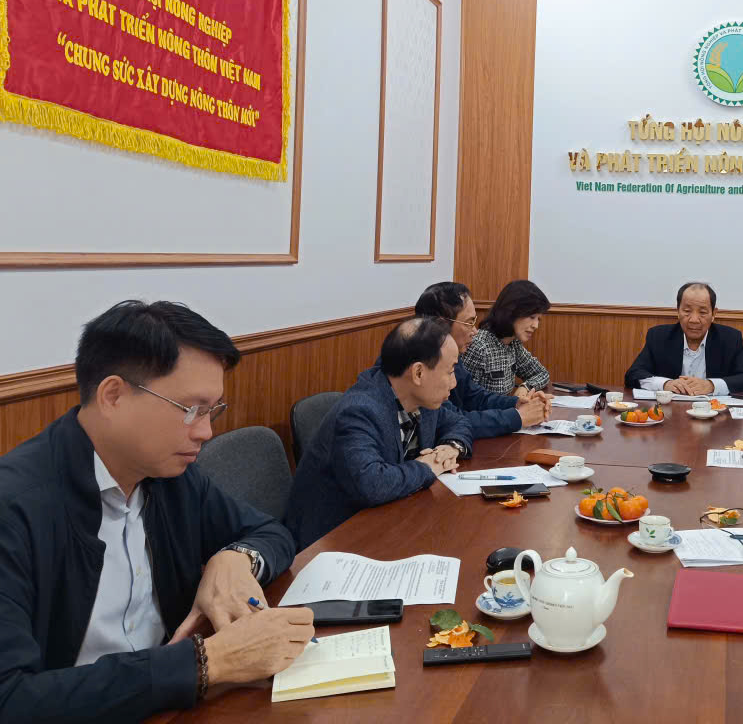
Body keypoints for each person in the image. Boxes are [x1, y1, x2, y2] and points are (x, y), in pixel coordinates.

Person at [0, 300, 313, 721]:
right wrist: (207, 662)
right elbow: (11, 698)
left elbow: (273, 533)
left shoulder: (170, 477)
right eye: (190, 410)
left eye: (212, 410)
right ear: (113, 396)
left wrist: (234, 559)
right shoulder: (16, 506)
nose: (205, 431)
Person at [285, 317, 474, 548]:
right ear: (418, 373)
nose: (454, 383)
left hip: (390, 520)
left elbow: (458, 421)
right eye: (450, 371)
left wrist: (451, 447)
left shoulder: (420, 398)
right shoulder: (359, 411)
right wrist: (427, 467)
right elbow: (372, 484)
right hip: (332, 540)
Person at [414, 281, 552, 437]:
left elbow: (475, 397)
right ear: (441, 325)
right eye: (469, 322)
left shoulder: (452, 355)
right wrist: (518, 417)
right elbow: (453, 420)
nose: (475, 331)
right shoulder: (425, 364)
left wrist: (517, 403)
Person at [624, 282, 743, 394]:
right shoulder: (659, 337)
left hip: (712, 411)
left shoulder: (730, 339)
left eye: (702, 312)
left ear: (713, 314)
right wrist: (665, 384)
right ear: (678, 311)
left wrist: (711, 385)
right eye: (687, 311)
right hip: (670, 411)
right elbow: (633, 375)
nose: (694, 320)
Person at [459, 279, 552, 396]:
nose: (536, 325)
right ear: (512, 311)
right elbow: (464, 398)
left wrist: (525, 387)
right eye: (532, 317)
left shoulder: (514, 343)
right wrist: (512, 404)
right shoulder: (479, 346)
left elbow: (542, 373)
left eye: (539, 319)